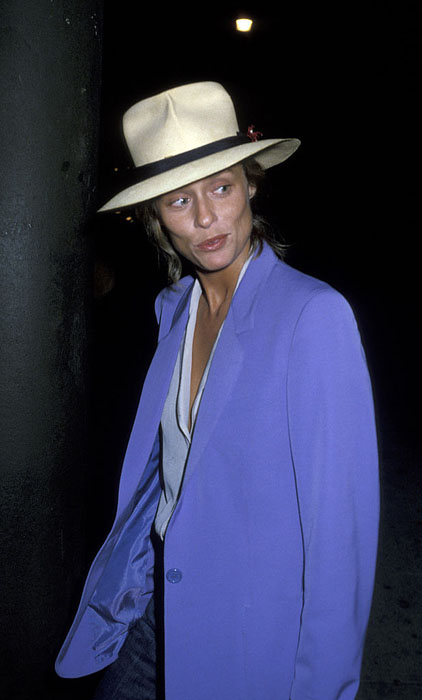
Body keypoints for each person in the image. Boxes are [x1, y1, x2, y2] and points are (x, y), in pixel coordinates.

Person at [55, 81, 379, 699]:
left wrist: (325, 689)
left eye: (222, 188)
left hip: (246, 631)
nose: (205, 218)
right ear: (154, 215)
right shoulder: (173, 309)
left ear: (251, 184)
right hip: (153, 609)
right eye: (179, 200)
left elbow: (341, 541)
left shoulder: (312, 316)